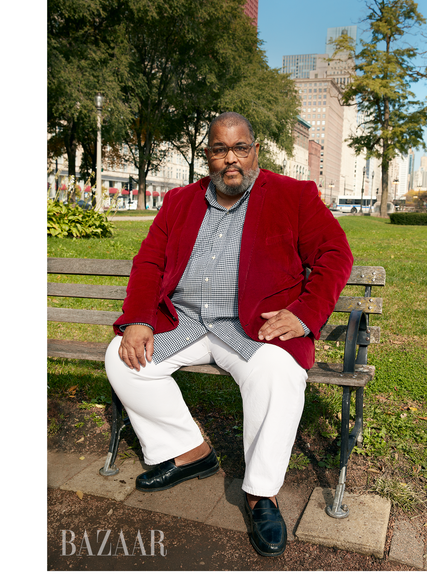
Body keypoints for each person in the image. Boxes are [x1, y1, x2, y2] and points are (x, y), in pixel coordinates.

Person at [105, 112, 353, 557]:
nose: (230, 159)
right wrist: (140, 318)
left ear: (255, 151)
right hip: (186, 321)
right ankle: (188, 451)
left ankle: (260, 493)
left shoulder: (293, 195)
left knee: (278, 374)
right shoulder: (180, 200)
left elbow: (335, 254)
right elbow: (149, 264)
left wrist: (304, 314)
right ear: (208, 157)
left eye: (240, 148)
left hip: (252, 325)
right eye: (220, 150)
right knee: (123, 357)